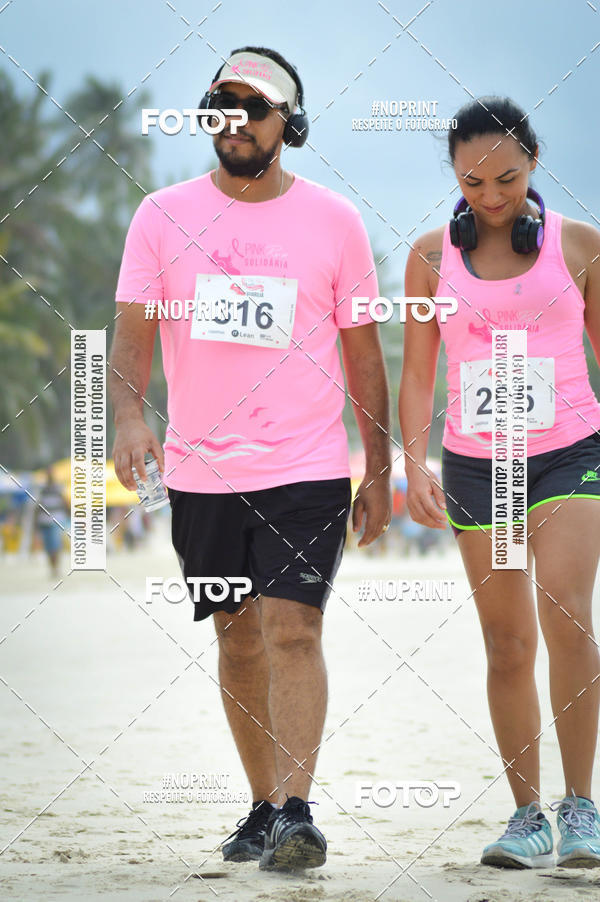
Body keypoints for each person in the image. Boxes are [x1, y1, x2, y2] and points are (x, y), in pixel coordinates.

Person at [110, 46, 391, 871]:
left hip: (305, 464)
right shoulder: (160, 216)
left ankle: (298, 811)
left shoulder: (335, 220)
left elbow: (365, 358)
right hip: (202, 473)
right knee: (236, 640)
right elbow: (130, 343)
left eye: (254, 105)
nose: (235, 118)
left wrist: (376, 465)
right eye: (221, 102)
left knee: (293, 629)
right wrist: (128, 417)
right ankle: (264, 805)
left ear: (288, 124)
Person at [398, 96, 600, 870]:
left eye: (507, 180)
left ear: (535, 164)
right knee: (506, 640)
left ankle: (580, 806)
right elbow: (419, 375)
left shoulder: (579, 245)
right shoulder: (426, 257)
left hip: (568, 451)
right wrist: (411, 462)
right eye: (472, 182)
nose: (489, 197)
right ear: (453, 176)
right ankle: (526, 816)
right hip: (477, 462)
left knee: (565, 608)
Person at [36, 469, 68, 578]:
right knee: (48, 546)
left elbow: (65, 502)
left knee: (55, 544)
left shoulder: (58, 488)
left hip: (56, 520)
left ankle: (56, 568)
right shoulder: (42, 489)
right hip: (44, 520)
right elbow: (38, 505)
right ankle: (52, 568)